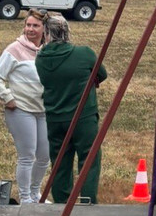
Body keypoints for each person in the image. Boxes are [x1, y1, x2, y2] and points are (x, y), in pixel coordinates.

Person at [37, 15, 107, 204]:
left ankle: (61, 203)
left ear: (46, 33)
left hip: (54, 117)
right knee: (88, 159)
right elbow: (102, 73)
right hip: (83, 116)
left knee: (60, 163)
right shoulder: (84, 53)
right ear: (66, 31)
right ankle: (87, 200)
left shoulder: (40, 58)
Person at [0, 10, 49, 204]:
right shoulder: (14, 49)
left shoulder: (49, 49)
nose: (30, 29)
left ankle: (35, 193)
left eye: (35, 26)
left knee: (44, 156)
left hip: (44, 111)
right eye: (28, 25)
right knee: (27, 156)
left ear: (44, 29)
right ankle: (25, 197)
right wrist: (8, 98)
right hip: (20, 110)